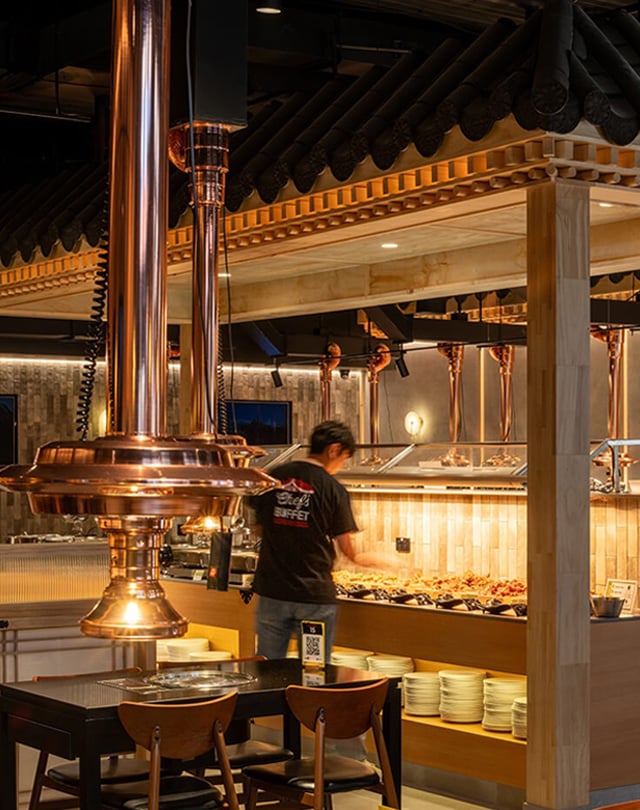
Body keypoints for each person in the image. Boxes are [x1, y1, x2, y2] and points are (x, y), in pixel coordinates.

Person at [250, 420, 371, 661]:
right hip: (313, 599)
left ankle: (269, 699)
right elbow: (347, 550)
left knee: (268, 668)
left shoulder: (274, 477)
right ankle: (309, 699)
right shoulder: (332, 488)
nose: (341, 465)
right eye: (344, 458)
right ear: (334, 449)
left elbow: (257, 528)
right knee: (313, 671)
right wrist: (376, 560)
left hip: (272, 592)